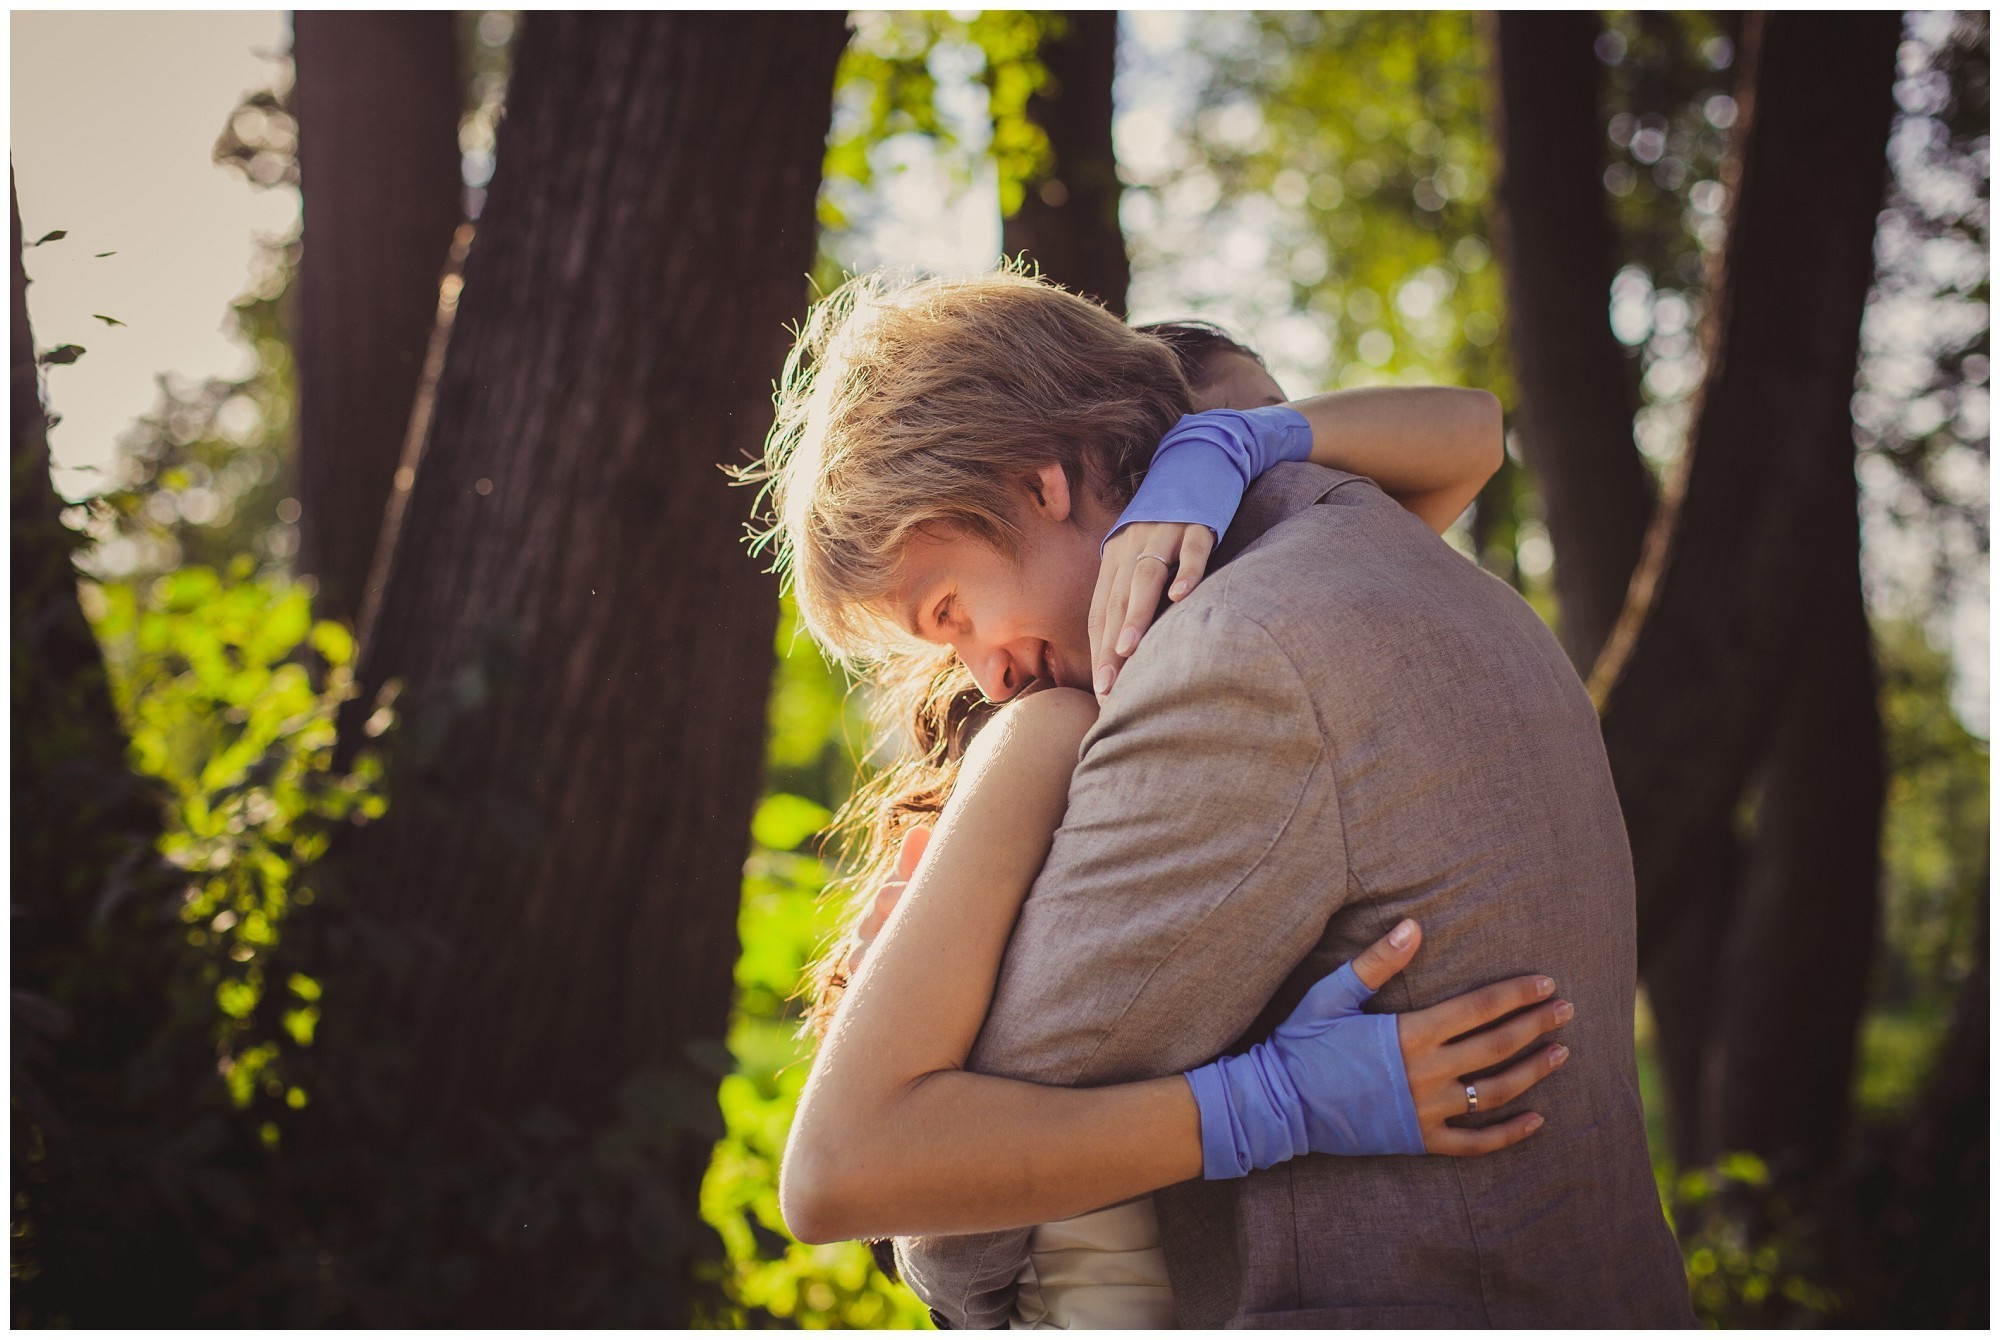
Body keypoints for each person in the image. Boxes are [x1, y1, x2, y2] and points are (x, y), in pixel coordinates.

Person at [750, 267, 1694, 1327]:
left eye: (951, 610)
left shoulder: (1231, 658)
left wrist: (1260, 1106)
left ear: (1036, 483)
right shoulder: (1401, 563)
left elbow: (886, 1183)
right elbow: (1469, 434)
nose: (985, 673)